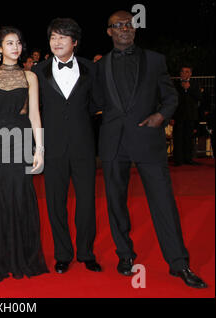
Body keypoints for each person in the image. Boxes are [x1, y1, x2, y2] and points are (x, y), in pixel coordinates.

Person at [94, 10, 207, 288]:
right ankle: (125, 255)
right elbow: (95, 102)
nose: (125, 29)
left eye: (129, 25)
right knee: (116, 203)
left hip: (148, 139)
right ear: (109, 31)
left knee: (163, 203)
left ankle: (179, 264)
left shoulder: (155, 60)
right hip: (113, 144)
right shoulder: (99, 66)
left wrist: (161, 116)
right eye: (118, 25)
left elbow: (170, 97)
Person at [0, 27, 48, 282]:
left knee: (20, 194)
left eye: (18, 43)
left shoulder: (31, 76)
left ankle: (21, 257)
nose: (15, 47)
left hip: (21, 137)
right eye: (9, 43)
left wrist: (39, 148)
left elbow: (36, 114)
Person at [33, 18, 101, 274]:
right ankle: (62, 253)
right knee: (55, 202)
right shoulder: (38, 71)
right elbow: (34, 110)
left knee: (86, 202)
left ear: (74, 42)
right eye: (53, 37)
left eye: (63, 37)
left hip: (84, 145)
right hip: (52, 147)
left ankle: (86, 252)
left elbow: (97, 104)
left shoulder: (90, 69)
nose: (57, 41)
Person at [172, 66, 202, 166]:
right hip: (178, 116)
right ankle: (178, 160)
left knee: (188, 138)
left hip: (190, 115)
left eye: (187, 72)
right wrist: (171, 116)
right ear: (180, 73)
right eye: (183, 71)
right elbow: (171, 101)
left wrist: (189, 89)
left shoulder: (195, 84)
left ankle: (188, 158)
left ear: (190, 74)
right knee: (178, 138)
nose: (184, 73)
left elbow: (199, 97)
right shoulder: (175, 85)